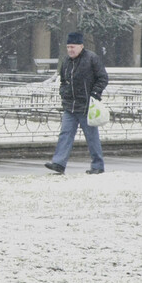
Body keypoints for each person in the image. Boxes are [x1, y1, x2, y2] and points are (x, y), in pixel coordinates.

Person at [45, 31, 108, 175]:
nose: (70, 50)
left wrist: (95, 94)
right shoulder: (66, 61)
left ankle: (98, 166)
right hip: (70, 107)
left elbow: (103, 78)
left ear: (81, 46)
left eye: (73, 47)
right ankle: (59, 163)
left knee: (92, 137)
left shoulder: (92, 58)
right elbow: (63, 81)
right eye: (68, 47)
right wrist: (64, 92)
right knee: (65, 134)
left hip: (87, 106)